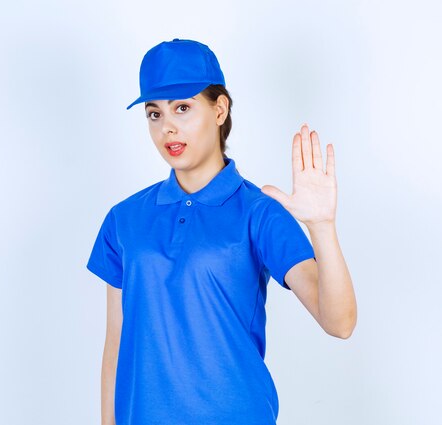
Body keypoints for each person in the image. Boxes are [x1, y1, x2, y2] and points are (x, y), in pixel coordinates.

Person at [86, 38, 357, 425]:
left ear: (219, 109)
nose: (168, 128)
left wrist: (322, 228)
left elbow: (340, 322)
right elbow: (116, 343)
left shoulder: (259, 213)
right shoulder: (124, 219)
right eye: (154, 114)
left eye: (182, 108)